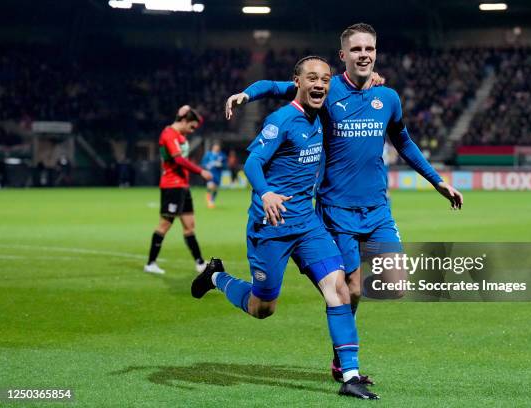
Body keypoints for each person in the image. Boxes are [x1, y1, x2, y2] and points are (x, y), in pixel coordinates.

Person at [225, 23, 464, 383]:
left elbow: (405, 143)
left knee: (395, 284)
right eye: (356, 50)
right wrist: (246, 94)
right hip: (336, 212)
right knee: (345, 290)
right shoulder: (325, 90)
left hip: (377, 209)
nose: (364, 54)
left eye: (369, 49)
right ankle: (343, 362)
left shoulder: (389, 98)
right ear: (343, 56)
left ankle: (343, 347)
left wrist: (438, 181)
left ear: (376, 53)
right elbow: (275, 88)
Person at [192, 56, 378, 399]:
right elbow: (253, 162)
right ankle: (216, 276)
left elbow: (276, 87)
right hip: (271, 226)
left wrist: (370, 79)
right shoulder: (282, 119)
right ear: (298, 82)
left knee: (338, 288)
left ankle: (349, 374)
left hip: (307, 224)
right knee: (263, 308)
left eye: (325, 78)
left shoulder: (322, 109)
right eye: (312, 78)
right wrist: (265, 194)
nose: (319, 84)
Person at [144, 105, 213, 275]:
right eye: (191, 126)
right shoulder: (169, 134)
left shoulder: (180, 133)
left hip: (182, 186)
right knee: (165, 224)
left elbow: (195, 120)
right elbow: (179, 160)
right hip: (171, 185)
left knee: (189, 225)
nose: (192, 130)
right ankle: (150, 263)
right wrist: (200, 171)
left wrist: (189, 111)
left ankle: (199, 263)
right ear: (183, 121)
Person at [200, 142, 226, 208]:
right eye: (215, 147)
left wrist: (220, 165)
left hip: (218, 174)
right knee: (210, 186)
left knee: (215, 189)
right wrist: (207, 166)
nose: (216, 148)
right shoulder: (208, 155)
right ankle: (209, 201)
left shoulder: (222, 155)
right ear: (213, 147)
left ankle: (212, 201)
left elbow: (225, 165)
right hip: (210, 173)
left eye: (217, 147)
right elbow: (203, 163)